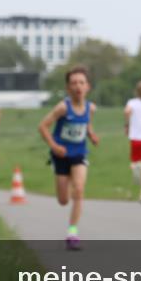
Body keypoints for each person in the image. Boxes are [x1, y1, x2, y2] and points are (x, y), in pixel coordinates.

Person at [38, 66, 99, 250]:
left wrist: (91, 135)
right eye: (73, 83)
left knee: (79, 189)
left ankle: (72, 232)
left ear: (87, 86)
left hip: (79, 154)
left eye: (81, 82)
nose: (78, 86)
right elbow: (42, 127)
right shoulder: (63, 108)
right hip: (62, 155)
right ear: (68, 88)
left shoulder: (91, 108)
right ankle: (66, 180)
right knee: (63, 200)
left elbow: (86, 124)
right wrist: (54, 147)